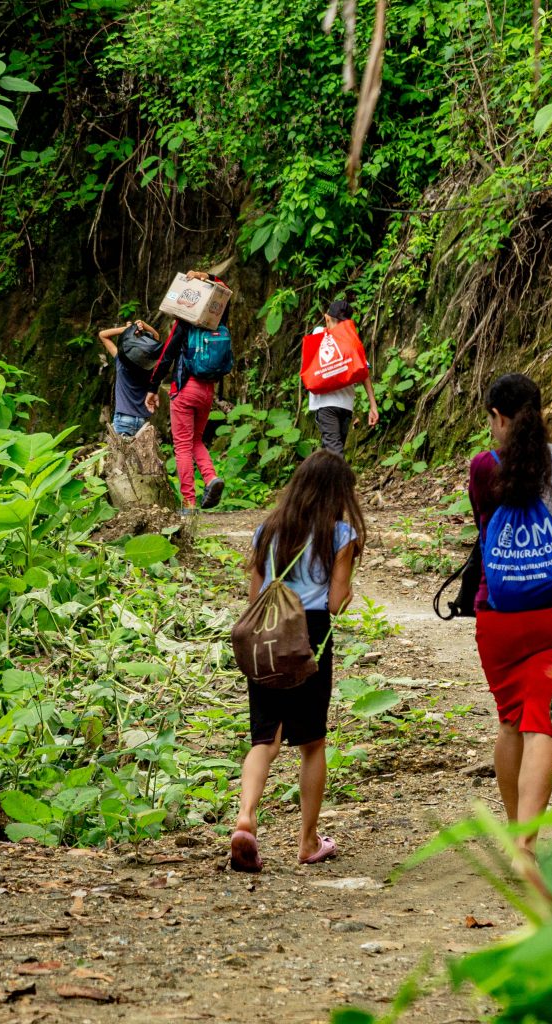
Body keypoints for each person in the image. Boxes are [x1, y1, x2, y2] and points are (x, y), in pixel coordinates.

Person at [468, 373, 552, 857]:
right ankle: (527, 843)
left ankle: (512, 825)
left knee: (508, 722)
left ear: (499, 418)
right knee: (540, 722)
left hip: (496, 617)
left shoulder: (484, 468)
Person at [230, 451, 366, 872]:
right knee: (312, 743)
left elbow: (254, 597)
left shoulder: (267, 530)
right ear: (337, 492)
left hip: (267, 635)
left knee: (264, 740)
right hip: (309, 635)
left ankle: (246, 817)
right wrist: (346, 593)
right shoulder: (339, 534)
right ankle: (307, 841)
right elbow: (335, 601)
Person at [147, 270, 227, 514]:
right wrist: (208, 276)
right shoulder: (218, 320)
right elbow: (224, 290)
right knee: (195, 441)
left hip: (184, 389)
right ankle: (211, 477)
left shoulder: (183, 324)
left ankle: (189, 503)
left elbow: (165, 357)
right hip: (207, 391)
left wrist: (152, 388)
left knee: (181, 446)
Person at [306, 299, 379, 457]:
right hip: (332, 405)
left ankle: (318, 480)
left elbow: (363, 371)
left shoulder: (337, 337)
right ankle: (340, 482)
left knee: (330, 453)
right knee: (335, 453)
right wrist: (373, 405)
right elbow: (364, 372)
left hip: (340, 406)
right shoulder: (340, 337)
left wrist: (373, 406)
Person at [97, 320, 157, 439]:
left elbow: (102, 335)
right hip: (142, 422)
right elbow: (156, 337)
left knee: (122, 456)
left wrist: (126, 330)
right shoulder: (150, 366)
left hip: (123, 419)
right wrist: (144, 325)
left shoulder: (121, 361)